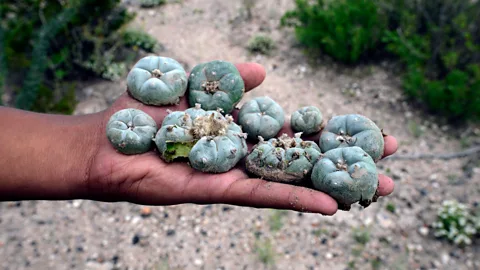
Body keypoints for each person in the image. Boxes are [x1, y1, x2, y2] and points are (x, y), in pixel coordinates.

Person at [0, 63, 397, 215]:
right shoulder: (178, 141)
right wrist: (89, 153)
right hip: (196, 135)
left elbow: (186, 146)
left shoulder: (208, 137)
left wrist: (88, 153)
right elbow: (175, 147)